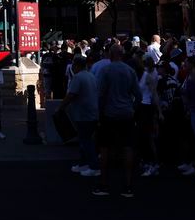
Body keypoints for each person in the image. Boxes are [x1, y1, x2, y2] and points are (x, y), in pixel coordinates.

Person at [93, 43, 140, 199]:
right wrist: (132, 108)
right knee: (128, 148)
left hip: (109, 113)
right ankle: (127, 186)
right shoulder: (130, 71)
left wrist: (99, 114)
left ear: (111, 54)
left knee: (105, 149)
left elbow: (100, 95)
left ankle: (104, 184)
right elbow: (138, 95)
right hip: (126, 113)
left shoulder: (106, 70)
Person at [59, 54, 100, 177]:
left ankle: (94, 166)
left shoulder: (78, 78)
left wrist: (60, 107)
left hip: (83, 114)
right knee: (85, 139)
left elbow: (71, 95)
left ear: (76, 65)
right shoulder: (91, 76)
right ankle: (84, 163)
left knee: (85, 140)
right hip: (92, 112)